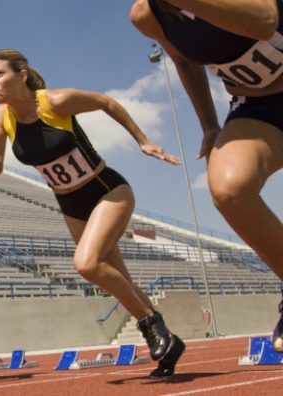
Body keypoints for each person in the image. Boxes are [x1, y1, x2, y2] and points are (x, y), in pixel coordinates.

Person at [0, 49, 185, 379]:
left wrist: (143, 141)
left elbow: (105, 102)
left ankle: (151, 324)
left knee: (86, 264)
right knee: (121, 282)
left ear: (22, 76)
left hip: (107, 191)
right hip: (71, 205)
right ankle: (169, 347)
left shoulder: (54, 101)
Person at [130, 0, 283, 351]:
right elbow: (183, 60)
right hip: (260, 108)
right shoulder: (147, 15)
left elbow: (265, 21)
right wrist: (209, 124)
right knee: (229, 188)